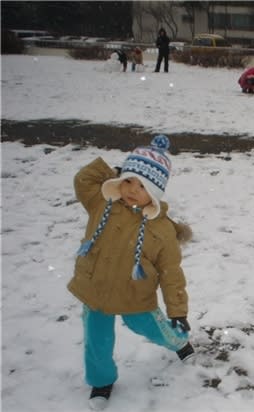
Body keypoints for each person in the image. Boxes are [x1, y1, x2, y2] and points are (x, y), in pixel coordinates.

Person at [68, 135, 194, 410]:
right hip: (96, 289)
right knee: (96, 340)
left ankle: (179, 343)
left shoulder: (161, 230)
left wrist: (178, 311)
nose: (132, 190)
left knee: (153, 328)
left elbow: (171, 272)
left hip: (135, 296)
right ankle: (101, 381)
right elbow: (83, 181)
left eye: (142, 185)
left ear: (156, 192)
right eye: (128, 180)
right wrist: (110, 172)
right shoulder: (102, 203)